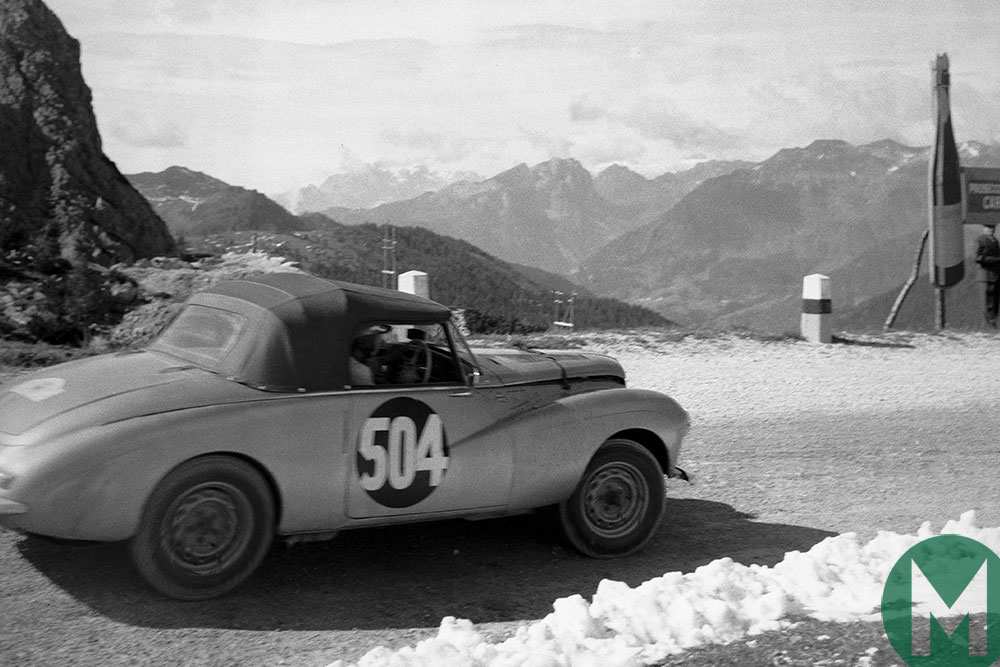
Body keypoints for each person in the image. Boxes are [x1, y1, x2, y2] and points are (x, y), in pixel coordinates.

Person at [975, 225, 1000, 328]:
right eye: (989, 227)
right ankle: (988, 325)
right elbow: (978, 257)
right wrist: (995, 260)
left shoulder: (995, 241)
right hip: (985, 275)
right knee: (987, 301)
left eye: (992, 227)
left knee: (995, 301)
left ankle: (993, 324)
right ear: (984, 228)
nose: (991, 229)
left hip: (995, 275)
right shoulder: (980, 240)